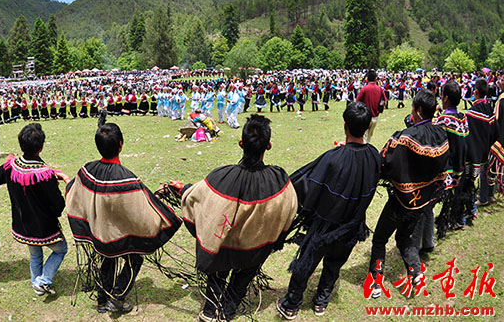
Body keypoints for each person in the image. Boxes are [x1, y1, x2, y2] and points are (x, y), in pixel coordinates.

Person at [171, 114, 298, 321]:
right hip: (255, 249)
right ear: (268, 146)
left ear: (241, 143)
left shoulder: (220, 177)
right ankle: (228, 312)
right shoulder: (279, 180)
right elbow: (290, 209)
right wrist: (276, 238)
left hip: (223, 247)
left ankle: (211, 311)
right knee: (242, 279)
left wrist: (182, 189)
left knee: (217, 274)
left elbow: (196, 198)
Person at [277, 102, 380, 319]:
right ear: (367, 126)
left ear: (345, 124)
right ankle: (321, 302)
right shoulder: (374, 155)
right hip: (352, 224)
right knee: (334, 264)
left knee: (306, 262)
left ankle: (291, 304)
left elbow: (308, 185)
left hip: (325, 225)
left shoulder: (333, 157)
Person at [65, 122, 182, 313]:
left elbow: (73, 191)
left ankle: (102, 300)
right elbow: (142, 211)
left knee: (106, 259)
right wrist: (160, 198)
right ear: (121, 144)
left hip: (98, 233)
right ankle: (118, 297)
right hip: (118, 237)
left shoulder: (86, 170)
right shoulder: (127, 180)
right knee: (135, 260)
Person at [368, 90, 449, 297]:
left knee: (379, 239)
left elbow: (383, 161)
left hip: (401, 201)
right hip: (423, 202)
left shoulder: (405, 138)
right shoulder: (441, 134)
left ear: (419, 110)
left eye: (413, 108)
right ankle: (416, 271)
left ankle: (376, 282)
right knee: (404, 238)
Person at [0, 124, 71, 296]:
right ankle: (42, 281)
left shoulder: (11, 166)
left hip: (23, 225)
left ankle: (36, 285)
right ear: (41, 147)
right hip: (44, 228)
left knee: (35, 254)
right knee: (61, 249)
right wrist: (65, 180)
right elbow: (58, 206)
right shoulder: (45, 174)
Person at [432, 80, 469, 238]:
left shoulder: (443, 121)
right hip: (461, 165)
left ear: (445, 98)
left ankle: (441, 224)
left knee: (441, 196)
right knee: (454, 196)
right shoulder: (462, 118)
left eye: (441, 95)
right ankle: (455, 219)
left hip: (447, 167)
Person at [465, 78, 498, 213]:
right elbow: (495, 130)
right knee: (487, 171)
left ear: (476, 92)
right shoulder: (490, 109)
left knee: (480, 174)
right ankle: (488, 194)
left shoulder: (471, 113)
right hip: (488, 147)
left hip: (476, 150)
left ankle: (483, 197)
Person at [356, 70, 386, 144]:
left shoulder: (364, 88)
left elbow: (357, 101)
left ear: (367, 78)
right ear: (376, 79)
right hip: (375, 117)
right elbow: (385, 101)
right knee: (369, 137)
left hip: (365, 116)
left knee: (364, 137)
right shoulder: (380, 89)